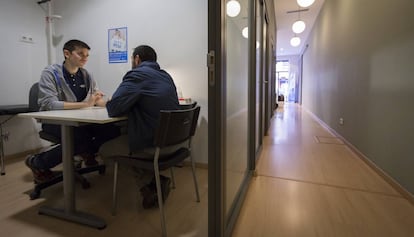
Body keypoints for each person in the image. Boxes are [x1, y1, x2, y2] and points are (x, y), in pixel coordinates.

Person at [25, 39, 120, 183]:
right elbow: (49, 104)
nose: (85, 58)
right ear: (67, 54)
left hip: (80, 120)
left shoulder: (86, 75)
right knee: (79, 138)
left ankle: (85, 152)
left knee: (111, 131)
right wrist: (84, 104)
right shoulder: (50, 73)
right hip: (55, 122)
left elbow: (95, 99)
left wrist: (111, 102)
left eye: (87, 55)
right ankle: (37, 162)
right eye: (80, 54)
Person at [99, 45, 179, 208]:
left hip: (154, 146)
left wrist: (104, 102)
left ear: (137, 59)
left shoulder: (137, 74)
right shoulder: (166, 76)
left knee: (104, 150)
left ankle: (150, 183)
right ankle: (154, 179)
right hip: (174, 143)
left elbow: (114, 109)